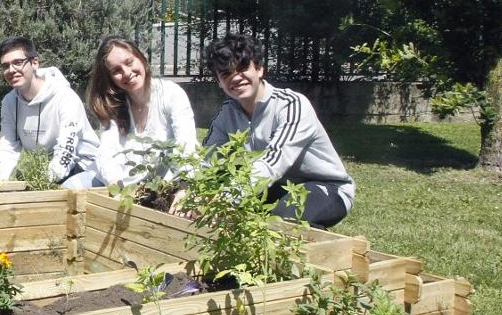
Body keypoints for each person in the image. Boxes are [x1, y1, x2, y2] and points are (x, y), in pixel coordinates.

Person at [202, 32, 354, 228]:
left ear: (259, 69)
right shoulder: (227, 113)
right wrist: (192, 191)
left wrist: (227, 198)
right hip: (274, 185)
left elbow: (273, 163)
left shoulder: (291, 105)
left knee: (281, 223)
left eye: (242, 68)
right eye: (226, 74)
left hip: (326, 187)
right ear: (219, 82)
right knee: (234, 214)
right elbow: (208, 161)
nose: (236, 78)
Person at [87, 35, 198, 190]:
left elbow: (186, 144)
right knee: (70, 190)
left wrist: (185, 187)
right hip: (120, 185)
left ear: (141, 58)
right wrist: (115, 186)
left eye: (129, 62)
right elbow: (107, 152)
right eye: (116, 71)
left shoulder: (171, 94)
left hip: (161, 187)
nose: (126, 73)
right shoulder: (113, 104)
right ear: (110, 78)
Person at [0, 36, 101, 188]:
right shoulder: (9, 102)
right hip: (49, 170)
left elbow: (66, 152)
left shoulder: (65, 97)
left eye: (18, 62)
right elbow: (7, 147)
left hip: (85, 167)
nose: (11, 70)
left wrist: (43, 185)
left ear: (34, 62)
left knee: (60, 195)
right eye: (5, 66)